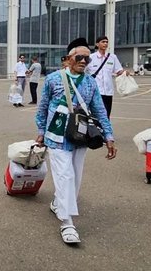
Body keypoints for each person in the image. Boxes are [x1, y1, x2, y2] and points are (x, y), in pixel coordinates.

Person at [35, 37, 116, 244]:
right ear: (68, 59)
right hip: (56, 136)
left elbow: (99, 109)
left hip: (80, 136)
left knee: (76, 177)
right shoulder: (53, 79)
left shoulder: (90, 82)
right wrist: (41, 131)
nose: (83, 61)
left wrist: (109, 136)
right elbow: (43, 107)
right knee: (65, 176)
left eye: (87, 59)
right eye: (79, 57)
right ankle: (67, 222)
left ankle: (58, 203)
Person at [86, 36, 127, 118]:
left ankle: (104, 130)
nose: (105, 43)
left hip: (108, 92)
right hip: (95, 92)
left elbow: (118, 70)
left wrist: (125, 72)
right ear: (97, 44)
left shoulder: (112, 57)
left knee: (106, 115)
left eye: (106, 42)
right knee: (96, 116)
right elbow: (83, 72)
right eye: (103, 42)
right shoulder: (91, 57)